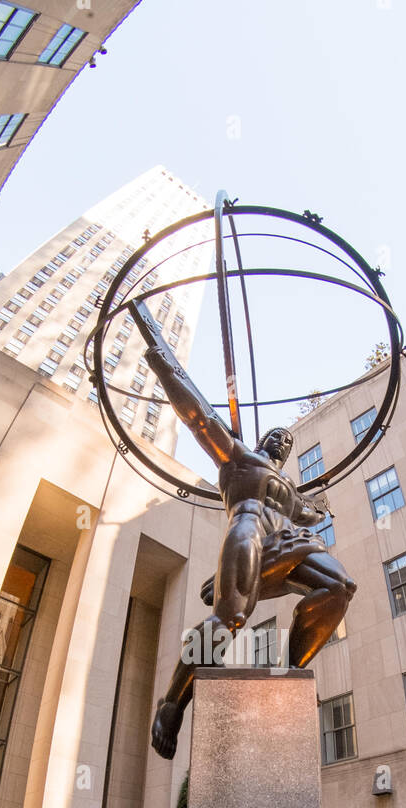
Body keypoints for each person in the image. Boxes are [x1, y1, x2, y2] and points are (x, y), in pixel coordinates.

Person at [133, 314, 357, 759]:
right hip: (248, 533)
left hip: (289, 546)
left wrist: (321, 507)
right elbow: (199, 417)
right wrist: (163, 363)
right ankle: (173, 701)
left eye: (288, 442)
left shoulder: (292, 494)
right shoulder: (238, 458)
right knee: (230, 621)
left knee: (340, 586)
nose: (282, 441)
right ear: (261, 438)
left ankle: (292, 672)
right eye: (276, 434)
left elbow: (311, 514)